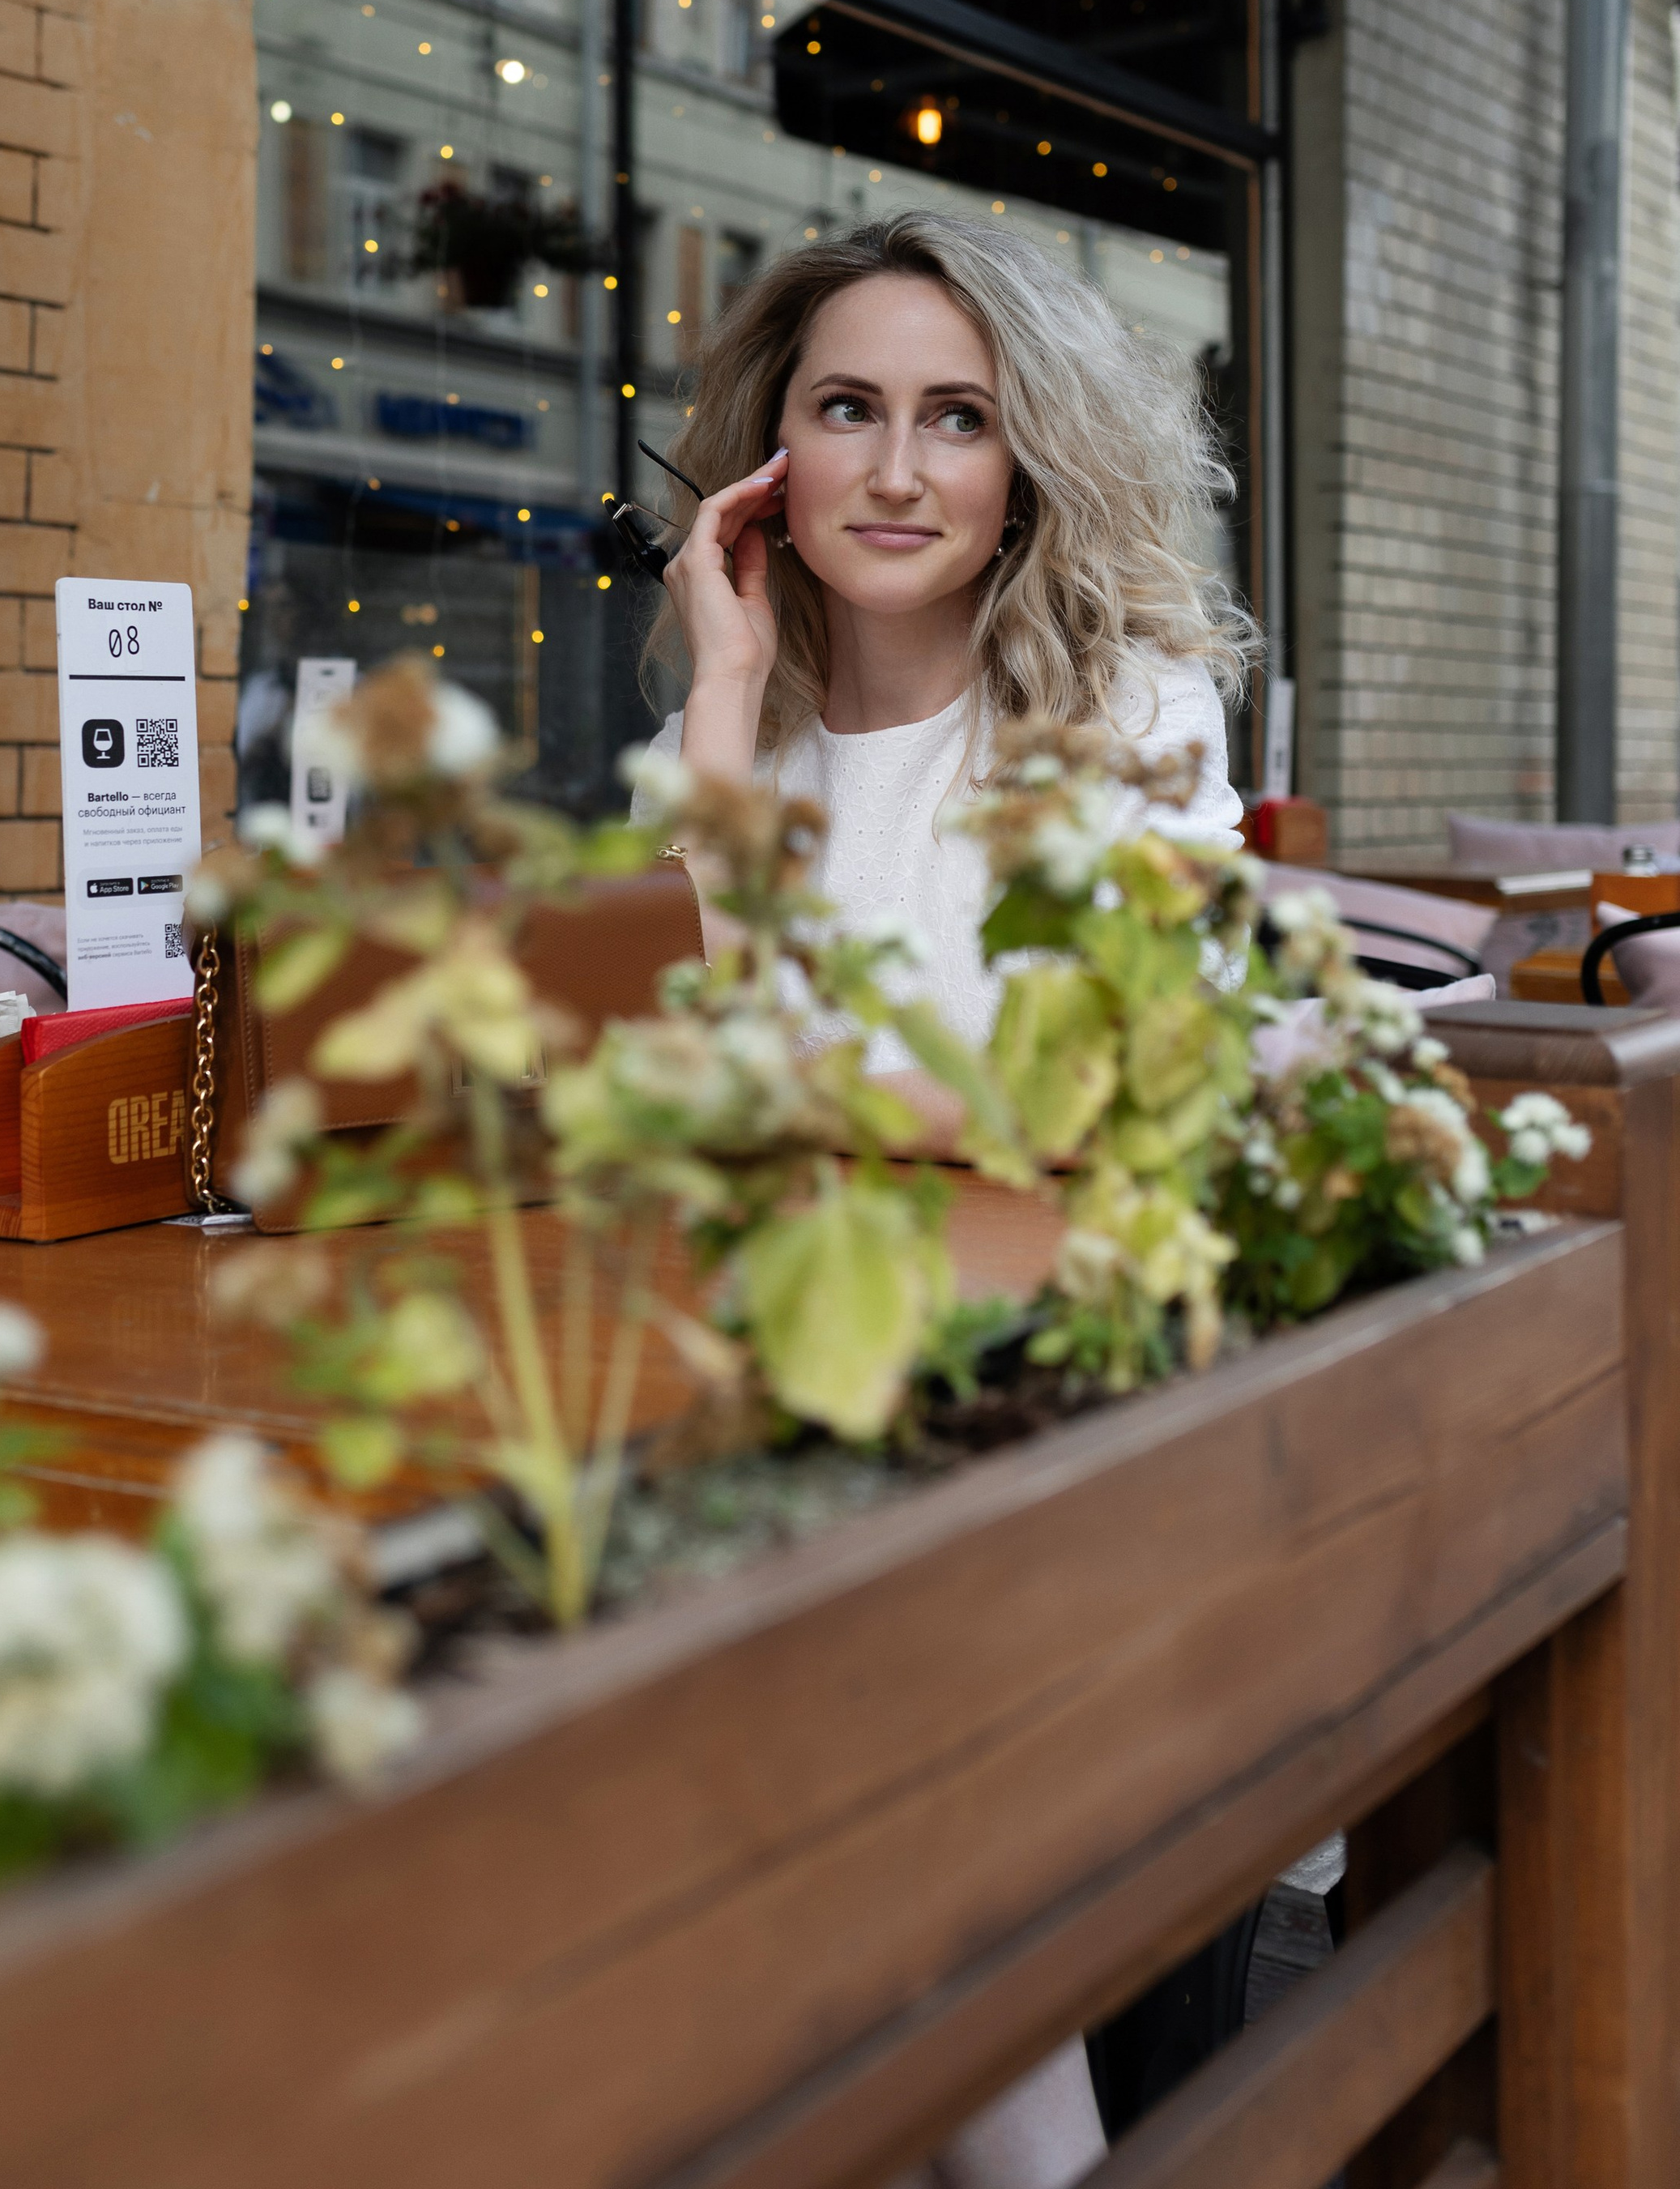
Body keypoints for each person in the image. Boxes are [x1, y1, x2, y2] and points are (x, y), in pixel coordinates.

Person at [634, 207, 1256, 2184]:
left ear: (1025, 465)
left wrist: (803, 1103)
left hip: (1078, 1415)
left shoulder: (1130, 720)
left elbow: (1081, 1114)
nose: (894, 470)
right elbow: (678, 1133)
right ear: (770, 459)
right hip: (796, 1416)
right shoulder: (697, 756)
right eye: (845, 411)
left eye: (953, 418)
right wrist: (724, 708)